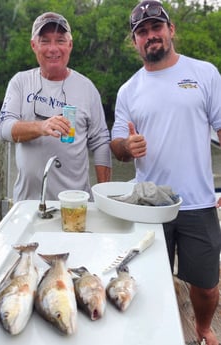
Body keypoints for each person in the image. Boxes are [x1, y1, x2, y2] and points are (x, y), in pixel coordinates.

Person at [110, 1, 221, 344]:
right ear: (135, 42)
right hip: (148, 205)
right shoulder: (128, 90)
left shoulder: (205, 73)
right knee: (146, 281)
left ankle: (202, 328)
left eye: (156, 27)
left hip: (198, 201)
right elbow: (116, 145)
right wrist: (128, 147)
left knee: (207, 285)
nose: (150, 35)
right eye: (142, 32)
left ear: (171, 30)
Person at [0, 12, 111, 202]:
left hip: (76, 204)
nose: (53, 49)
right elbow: (3, 129)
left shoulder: (87, 88)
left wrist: (104, 197)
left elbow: (100, 142)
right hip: (27, 205)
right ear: (34, 45)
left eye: (60, 40)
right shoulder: (20, 82)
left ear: (70, 45)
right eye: (45, 41)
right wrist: (40, 127)